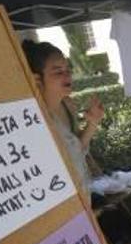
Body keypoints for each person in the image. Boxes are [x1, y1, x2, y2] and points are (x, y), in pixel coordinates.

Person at [21, 40, 104, 201]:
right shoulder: (32, 118)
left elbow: (79, 149)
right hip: (60, 203)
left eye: (68, 69)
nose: (67, 76)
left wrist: (93, 122)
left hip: (82, 196)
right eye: (58, 72)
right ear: (37, 80)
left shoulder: (68, 105)